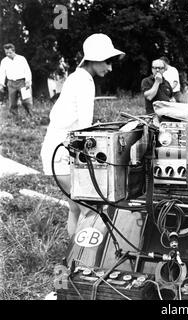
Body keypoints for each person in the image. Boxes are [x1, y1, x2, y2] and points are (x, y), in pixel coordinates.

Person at [40, 33, 125, 236]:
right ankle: (90, 262)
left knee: (75, 208)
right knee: (92, 211)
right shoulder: (85, 81)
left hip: (54, 151)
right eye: (107, 62)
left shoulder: (75, 77)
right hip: (62, 156)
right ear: (95, 58)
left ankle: (74, 259)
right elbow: (84, 127)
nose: (110, 68)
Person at [0, 43, 33, 117]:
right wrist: (1, 84)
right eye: (6, 53)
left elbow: (27, 70)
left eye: (10, 52)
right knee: (13, 103)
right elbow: (2, 73)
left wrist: (28, 81)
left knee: (26, 101)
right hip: (11, 83)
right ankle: (15, 118)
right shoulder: (4, 61)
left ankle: (30, 116)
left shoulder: (21, 59)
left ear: (14, 51)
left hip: (22, 82)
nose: (8, 54)